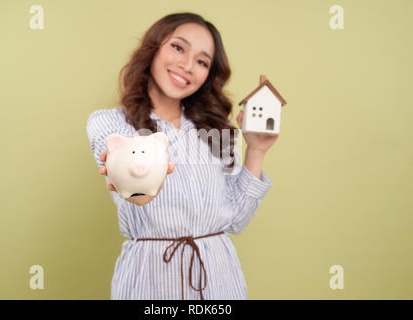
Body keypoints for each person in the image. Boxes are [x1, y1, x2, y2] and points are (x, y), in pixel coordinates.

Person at [86, 12, 279, 300]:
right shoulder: (110, 124)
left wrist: (257, 149)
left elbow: (236, 220)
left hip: (219, 281)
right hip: (150, 282)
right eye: (178, 48)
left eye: (202, 62)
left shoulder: (215, 130)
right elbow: (134, 189)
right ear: (153, 49)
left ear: (207, 75)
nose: (187, 66)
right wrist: (139, 187)